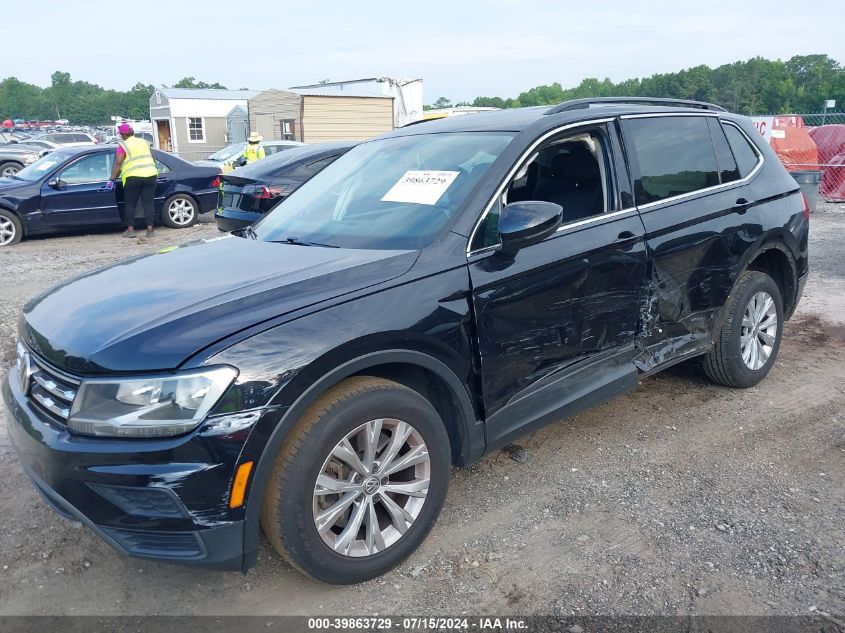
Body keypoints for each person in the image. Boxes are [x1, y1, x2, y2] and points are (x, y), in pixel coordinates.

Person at [107, 123, 158, 238]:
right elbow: (153, 159)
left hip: (133, 178)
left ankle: (130, 230)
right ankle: (150, 231)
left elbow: (118, 163)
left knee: (130, 204)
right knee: (148, 203)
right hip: (150, 175)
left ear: (123, 134)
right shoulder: (144, 142)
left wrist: (112, 179)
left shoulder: (123, 145)